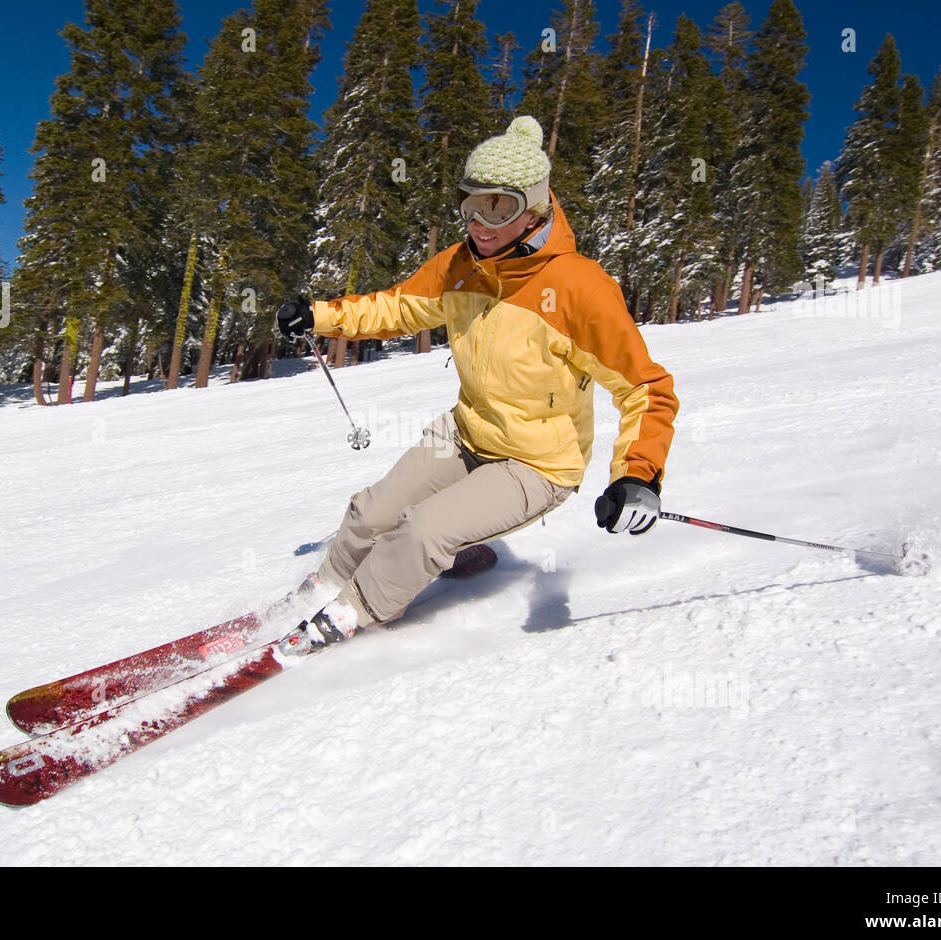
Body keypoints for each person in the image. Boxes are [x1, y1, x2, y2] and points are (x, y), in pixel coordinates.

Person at [276, 115, 679, 649]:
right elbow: (400, 306)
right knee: (370, 512)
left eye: (499, 206)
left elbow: (644, 389)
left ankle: (350, 615)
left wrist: (638, 476)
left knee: (422, 531)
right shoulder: (460, 265)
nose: (479, 224)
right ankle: (324, 587)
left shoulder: (579, 286)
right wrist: (320, 316)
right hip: (467, 433)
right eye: (470, 204)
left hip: (537, 464)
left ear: (534, 207)